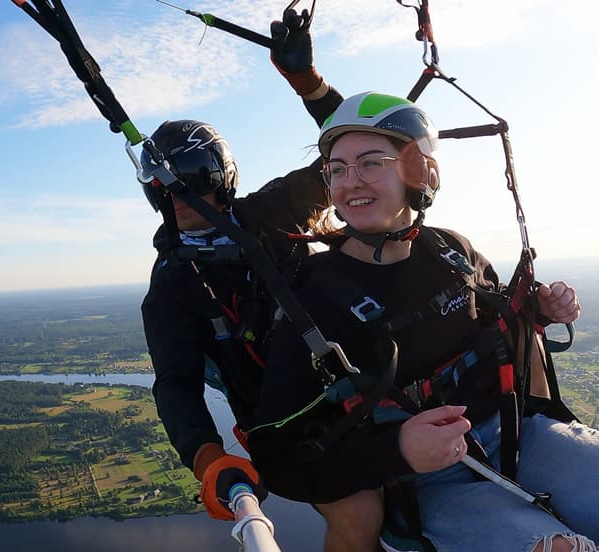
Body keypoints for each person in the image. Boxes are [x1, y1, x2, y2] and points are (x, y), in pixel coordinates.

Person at [247, 91, 598, 551]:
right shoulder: (313, 304)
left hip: (520, 435)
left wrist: (542, 310)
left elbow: (502, 320)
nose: (350, 182)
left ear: (420, 172)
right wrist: (396, 453)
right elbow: (276, 457)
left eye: (372, 162)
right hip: (427, 483)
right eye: (337, 169)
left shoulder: (453, 252)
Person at [140, 8, 385, 549]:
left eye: (194, 179)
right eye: (164, 185)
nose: (176, 196)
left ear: (221, 179)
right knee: (359, 513)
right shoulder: (173, 285)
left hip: (368, 373)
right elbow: (176, 386)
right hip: (289, 422)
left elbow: (353, 151)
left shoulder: (274, 212)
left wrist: (308, 83)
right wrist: (211, 460)